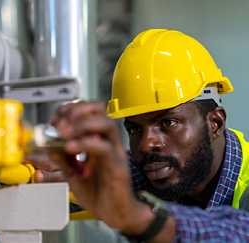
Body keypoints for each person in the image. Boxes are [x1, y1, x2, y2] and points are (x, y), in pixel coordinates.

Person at [26, 29, 249, 242]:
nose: (146, 144)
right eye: (134, 129)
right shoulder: (157, 170)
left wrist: (140, 218)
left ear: (215, 123)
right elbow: (99, 181)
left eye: (168, 122)